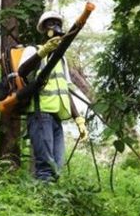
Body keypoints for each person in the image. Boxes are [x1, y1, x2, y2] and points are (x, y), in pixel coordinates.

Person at [17, 11, 88, 181]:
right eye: (51, 23)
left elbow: (66, 90)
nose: (55, 27)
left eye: (57, 23)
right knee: (45, 168)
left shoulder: (61, 59)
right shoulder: (34, 50)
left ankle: (51, 204)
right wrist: (44, 52)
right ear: (43, 29)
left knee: (57, 167)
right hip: (40, 114)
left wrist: (79, 119)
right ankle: (41, 206)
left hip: (56, 117)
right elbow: (22, 71)